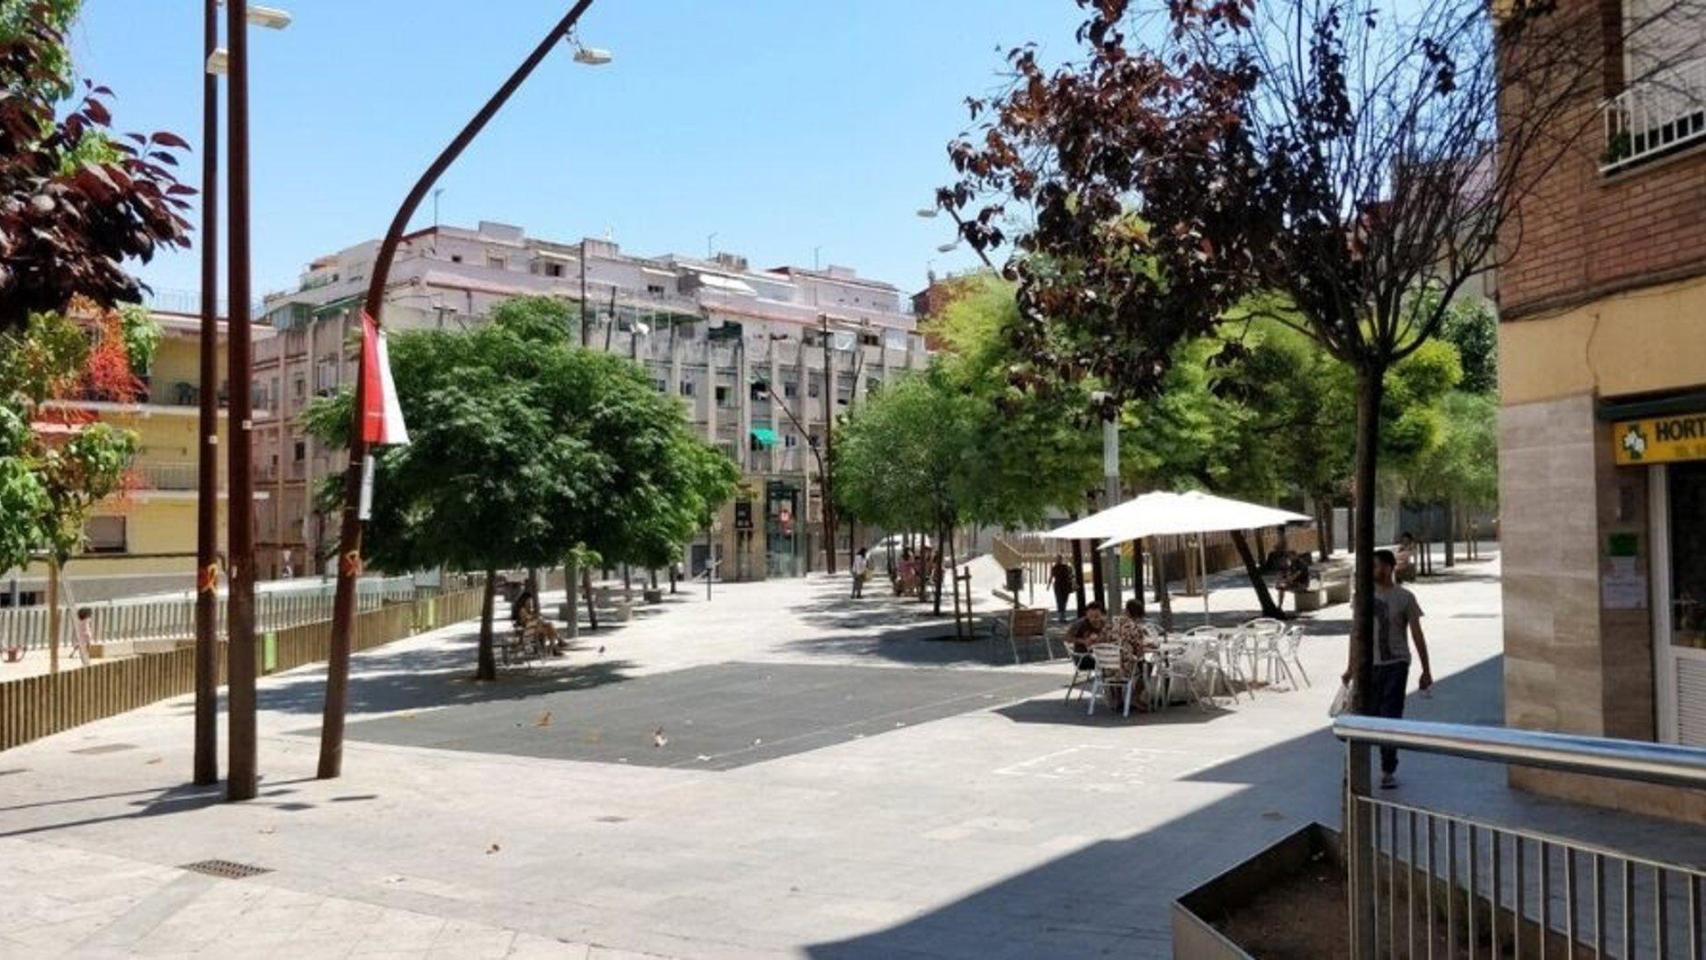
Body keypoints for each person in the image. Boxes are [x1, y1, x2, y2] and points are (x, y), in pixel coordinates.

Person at [1342, 548, 1433, 789]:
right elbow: (1356, 632)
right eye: (1371, 566)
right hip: (1369, 665)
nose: (1374, 570)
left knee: (1390, 716)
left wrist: (1426, 669)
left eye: (1378, 565)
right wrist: (1350, 667)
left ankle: (1387, 768)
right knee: (1364, 715)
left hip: (1396, 664)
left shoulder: (1405, 597)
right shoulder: (1363, 597)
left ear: (1390, 567)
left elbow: (1416, 634)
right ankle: (1356, 769)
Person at [1048, 554, 1076, 623]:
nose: (1059, 560)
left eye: (1059, 559)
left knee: (1064, 600)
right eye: (1058, 559)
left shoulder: (1066, 567)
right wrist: (1048, 585)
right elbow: (1051, 576)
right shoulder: (1055, 567)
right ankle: (1061, 616)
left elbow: (1071, 576)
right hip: (1059, 586)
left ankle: (1062, 615)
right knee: (1060, 600)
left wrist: (1074, 584)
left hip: (1065, 585)